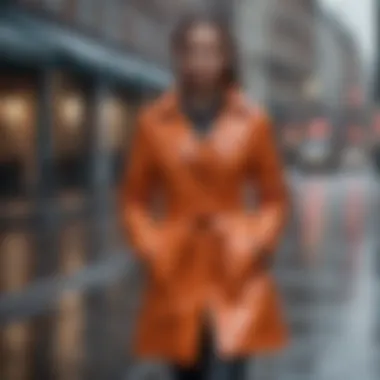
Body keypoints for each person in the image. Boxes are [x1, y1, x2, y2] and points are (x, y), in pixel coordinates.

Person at [120, 12, 289, 380]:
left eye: (211, 50)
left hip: (235, 268)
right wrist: (152, 246)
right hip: (176, 269)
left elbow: (273, 197)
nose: (201, 59)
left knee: (229, 370)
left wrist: (257, 242)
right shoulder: (153, 122)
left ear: (227, 57)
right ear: (179, 56)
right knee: (186, 371)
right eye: (192, 49)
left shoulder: (252, 121)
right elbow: (134, 200)